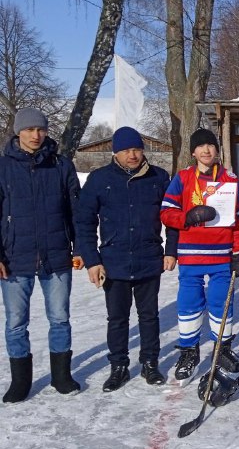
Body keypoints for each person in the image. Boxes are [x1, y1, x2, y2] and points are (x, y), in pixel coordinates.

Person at [75, 127, 178, 392]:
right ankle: (118, 366)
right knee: (117, 319)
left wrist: (170, 250)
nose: (132, 155)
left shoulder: (158, 177)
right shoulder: (99, 179)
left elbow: (172, 217)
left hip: (148, 257)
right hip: (114, 261)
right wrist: (92, 259)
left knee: (149, 316)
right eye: (126, 150)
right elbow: (84, 222)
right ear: (115, 152)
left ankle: (150, 363)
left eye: (136, 149)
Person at [0, 108, 81, 403]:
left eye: (41, 129)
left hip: (56, 254)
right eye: (30, 129)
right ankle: (21, 381)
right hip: (14, 257)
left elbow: (75, 211)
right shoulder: (3, 167)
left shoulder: (61, 165)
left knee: (60, 318)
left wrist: (81, 247)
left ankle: (61, 376)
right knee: (15, 322)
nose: (36, 135)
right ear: (18, 131)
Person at [160, 128, 239, 385]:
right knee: (189, 303)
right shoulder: (183, 178)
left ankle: (221, 350)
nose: (206, 150)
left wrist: (238, 249)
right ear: (193, 152)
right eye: (201, 146)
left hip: (221, 253)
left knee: (221, 302)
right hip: (191, 253)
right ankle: (189, 352)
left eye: (211, 145)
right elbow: (166, 211)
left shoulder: (230, 179)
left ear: (217, 150)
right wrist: (186, 218)